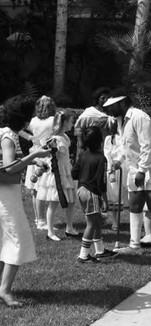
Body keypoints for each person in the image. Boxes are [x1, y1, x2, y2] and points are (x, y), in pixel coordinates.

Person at [0, 95, 51, 307]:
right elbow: (9, 168)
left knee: (4, 239)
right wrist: (35, 155)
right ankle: (5, 291)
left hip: (5, 191)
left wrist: (34, 158)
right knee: (16, 239)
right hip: (6, 195)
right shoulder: (8, 137)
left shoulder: (6, 132)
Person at [103, 91, 151, 254]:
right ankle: (135, 245)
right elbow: (127, 146)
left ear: (122, 103)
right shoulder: (121, 121)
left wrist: (142, 170)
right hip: (135, 167)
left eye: (112, 106)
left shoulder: (139, 117)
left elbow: (147, 146)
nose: (109, 110)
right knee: (135, 204)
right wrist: (118, 160)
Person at [72, 126, 118, 263]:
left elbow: (74, 173)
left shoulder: (83, 154)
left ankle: (100, 251)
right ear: (100, 142)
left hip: (81, 190)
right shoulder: (101, 159)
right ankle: (83, 255)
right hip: (91, 193)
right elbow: (101, 182)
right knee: (91, 224)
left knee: (96, 221)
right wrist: (104, 200)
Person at [36, 109, 80, 241]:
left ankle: (70, 227)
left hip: (66, 170)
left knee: (71, 201)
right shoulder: (54, 139)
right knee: (54, 202)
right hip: (57, 173)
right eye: (71, 121)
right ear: (64, 122)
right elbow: (45, 152)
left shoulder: (65, 137)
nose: (73, 124)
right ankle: (50, 231)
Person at [23, 95, 56, 230]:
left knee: (35, 190)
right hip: (46, 155)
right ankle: (42, 221)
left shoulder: (32, 121)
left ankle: (38, 219)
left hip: (33, 155)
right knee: (42, 190)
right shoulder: (53, 120)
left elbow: (18, 129)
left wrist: (30, 137)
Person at [74, 87, 114, 158]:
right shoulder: (89, 113)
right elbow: (78, 128)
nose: (105, 100)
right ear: (97, 99)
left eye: (107, 98)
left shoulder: (112, 113)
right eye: (102, 98)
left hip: (107, 148)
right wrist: (81, 144)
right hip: (90, 150)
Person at [103, 121, 128, 230]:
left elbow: (126, 152)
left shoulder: (125, 137)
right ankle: (114, 221)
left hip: (124, 168)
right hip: (114, 168)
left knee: (124, 193)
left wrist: (121, 161)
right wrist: (110, 170)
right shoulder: (110, 139)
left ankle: (127, 220)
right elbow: (107, 155)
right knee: (114, 195)